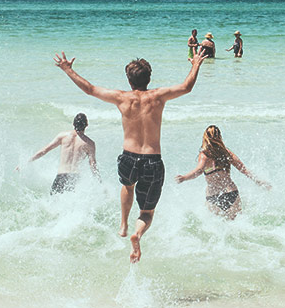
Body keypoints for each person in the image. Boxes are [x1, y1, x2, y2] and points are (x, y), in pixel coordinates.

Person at [54, 49, 207, 262]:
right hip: (152, 160)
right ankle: (138, 234)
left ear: (129, 79)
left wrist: (68, 69)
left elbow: (89, 89)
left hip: (128, 158)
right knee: (147, 213)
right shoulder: (158, 96)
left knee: (127, 186)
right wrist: (196, 64)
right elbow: (186, 87)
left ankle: (123, 224)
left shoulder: (121, 98)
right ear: (149, 78)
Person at [175, 125, 270, 220]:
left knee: (216, 229)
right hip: (231, 193)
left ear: (205, 138)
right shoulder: (226, 152)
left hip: (213, 196)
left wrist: (184, 178)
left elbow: (199, 171)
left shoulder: (204, 155)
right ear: (220, 137)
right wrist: (259, 182)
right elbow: (243, 169)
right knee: (237, 225)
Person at [19, 113, 100, 194]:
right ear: (86, 125)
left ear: (73, 124)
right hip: (75, 178)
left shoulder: (63, 136)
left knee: (53, 203)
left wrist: (26, 162)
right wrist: (99, 182)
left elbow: (44, 150)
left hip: (61, 176)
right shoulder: (90, 144)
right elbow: (92, 165)